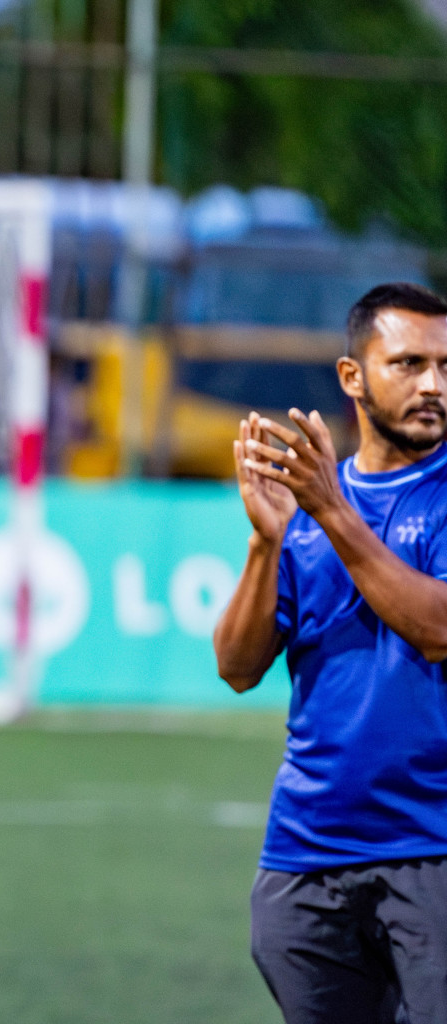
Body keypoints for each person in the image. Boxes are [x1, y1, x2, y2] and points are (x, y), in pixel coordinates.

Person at [213, 282, 447, 1023]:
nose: (434, 385)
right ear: (354, 377)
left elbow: (438, 629)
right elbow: (238, 666)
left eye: (445, 366)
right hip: (307, 853)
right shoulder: (309, 507)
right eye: (409, 363)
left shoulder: (336, 504)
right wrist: (266, 539)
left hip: (433, 849)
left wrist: (329, 512)